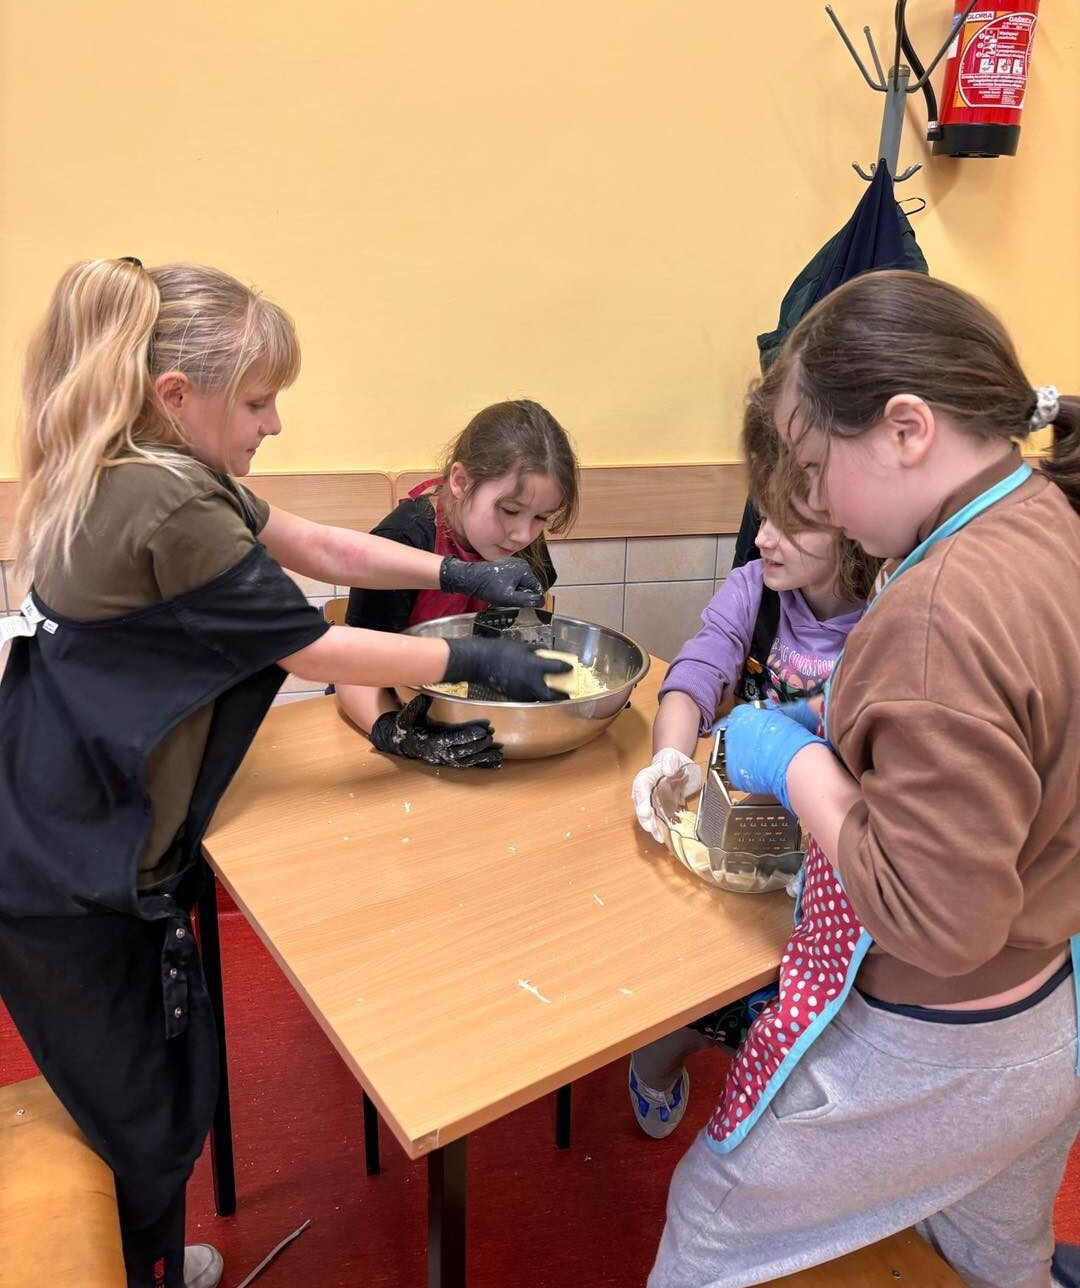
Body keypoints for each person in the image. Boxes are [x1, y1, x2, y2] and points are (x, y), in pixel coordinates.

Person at [0, 259, 569, 1288]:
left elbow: (316, 545)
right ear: (180, 394)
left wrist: (454, 573)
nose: (274, 423)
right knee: (143, 1110)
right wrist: (469, 660)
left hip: (63, 809)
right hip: (72, 854)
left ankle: (145, 1251)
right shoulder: (165, 500)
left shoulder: (157, 460)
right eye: (260, 401)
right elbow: (310, 647)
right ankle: (133, 1261)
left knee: (154, 1085)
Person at [649, 270, 1080, 1288]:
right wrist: (850, 729)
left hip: (946, 1041)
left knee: (709, 1223)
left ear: (906, 429)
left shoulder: (936, 608)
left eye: (815, 467)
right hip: (1048, 1018)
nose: (818, 505)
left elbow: (936, 918)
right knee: (989, 1254)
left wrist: (797, 761)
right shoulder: (1048, 517)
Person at [629, 469, 876, 1137]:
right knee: (693, 981)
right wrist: (670, 758)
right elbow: (696, 673)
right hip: (736, 843)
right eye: (761, 517)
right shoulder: (755, 591)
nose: (761, 539)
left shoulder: (888, 617)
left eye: (787, 525)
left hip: (833, 861)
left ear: (852, 530)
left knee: (804, 1013)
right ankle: (660, 1055)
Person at [336, 399, 579, 768]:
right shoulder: (404, 538)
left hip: (483, 723)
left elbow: (531, 629)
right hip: (395, 713)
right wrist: (395, 733)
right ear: (461, 482)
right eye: (510, 511)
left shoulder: (521, 540)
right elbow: (352, 671)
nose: (522, 534)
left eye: (541, 518)